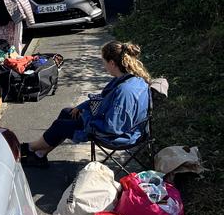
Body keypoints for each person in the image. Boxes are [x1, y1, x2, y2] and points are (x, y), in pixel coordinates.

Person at [21, 41, 151, 168]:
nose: (103, 66)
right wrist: (81, 107)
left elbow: (112, 127)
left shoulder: (124, 91)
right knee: (67, 112)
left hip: (119, 136)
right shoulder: (131, 79)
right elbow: (102, 98)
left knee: (60, 126)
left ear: (112, 63)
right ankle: (40, 155)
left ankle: (29, 148)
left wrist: (86, 117)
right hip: (120, 125)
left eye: (104, 62)